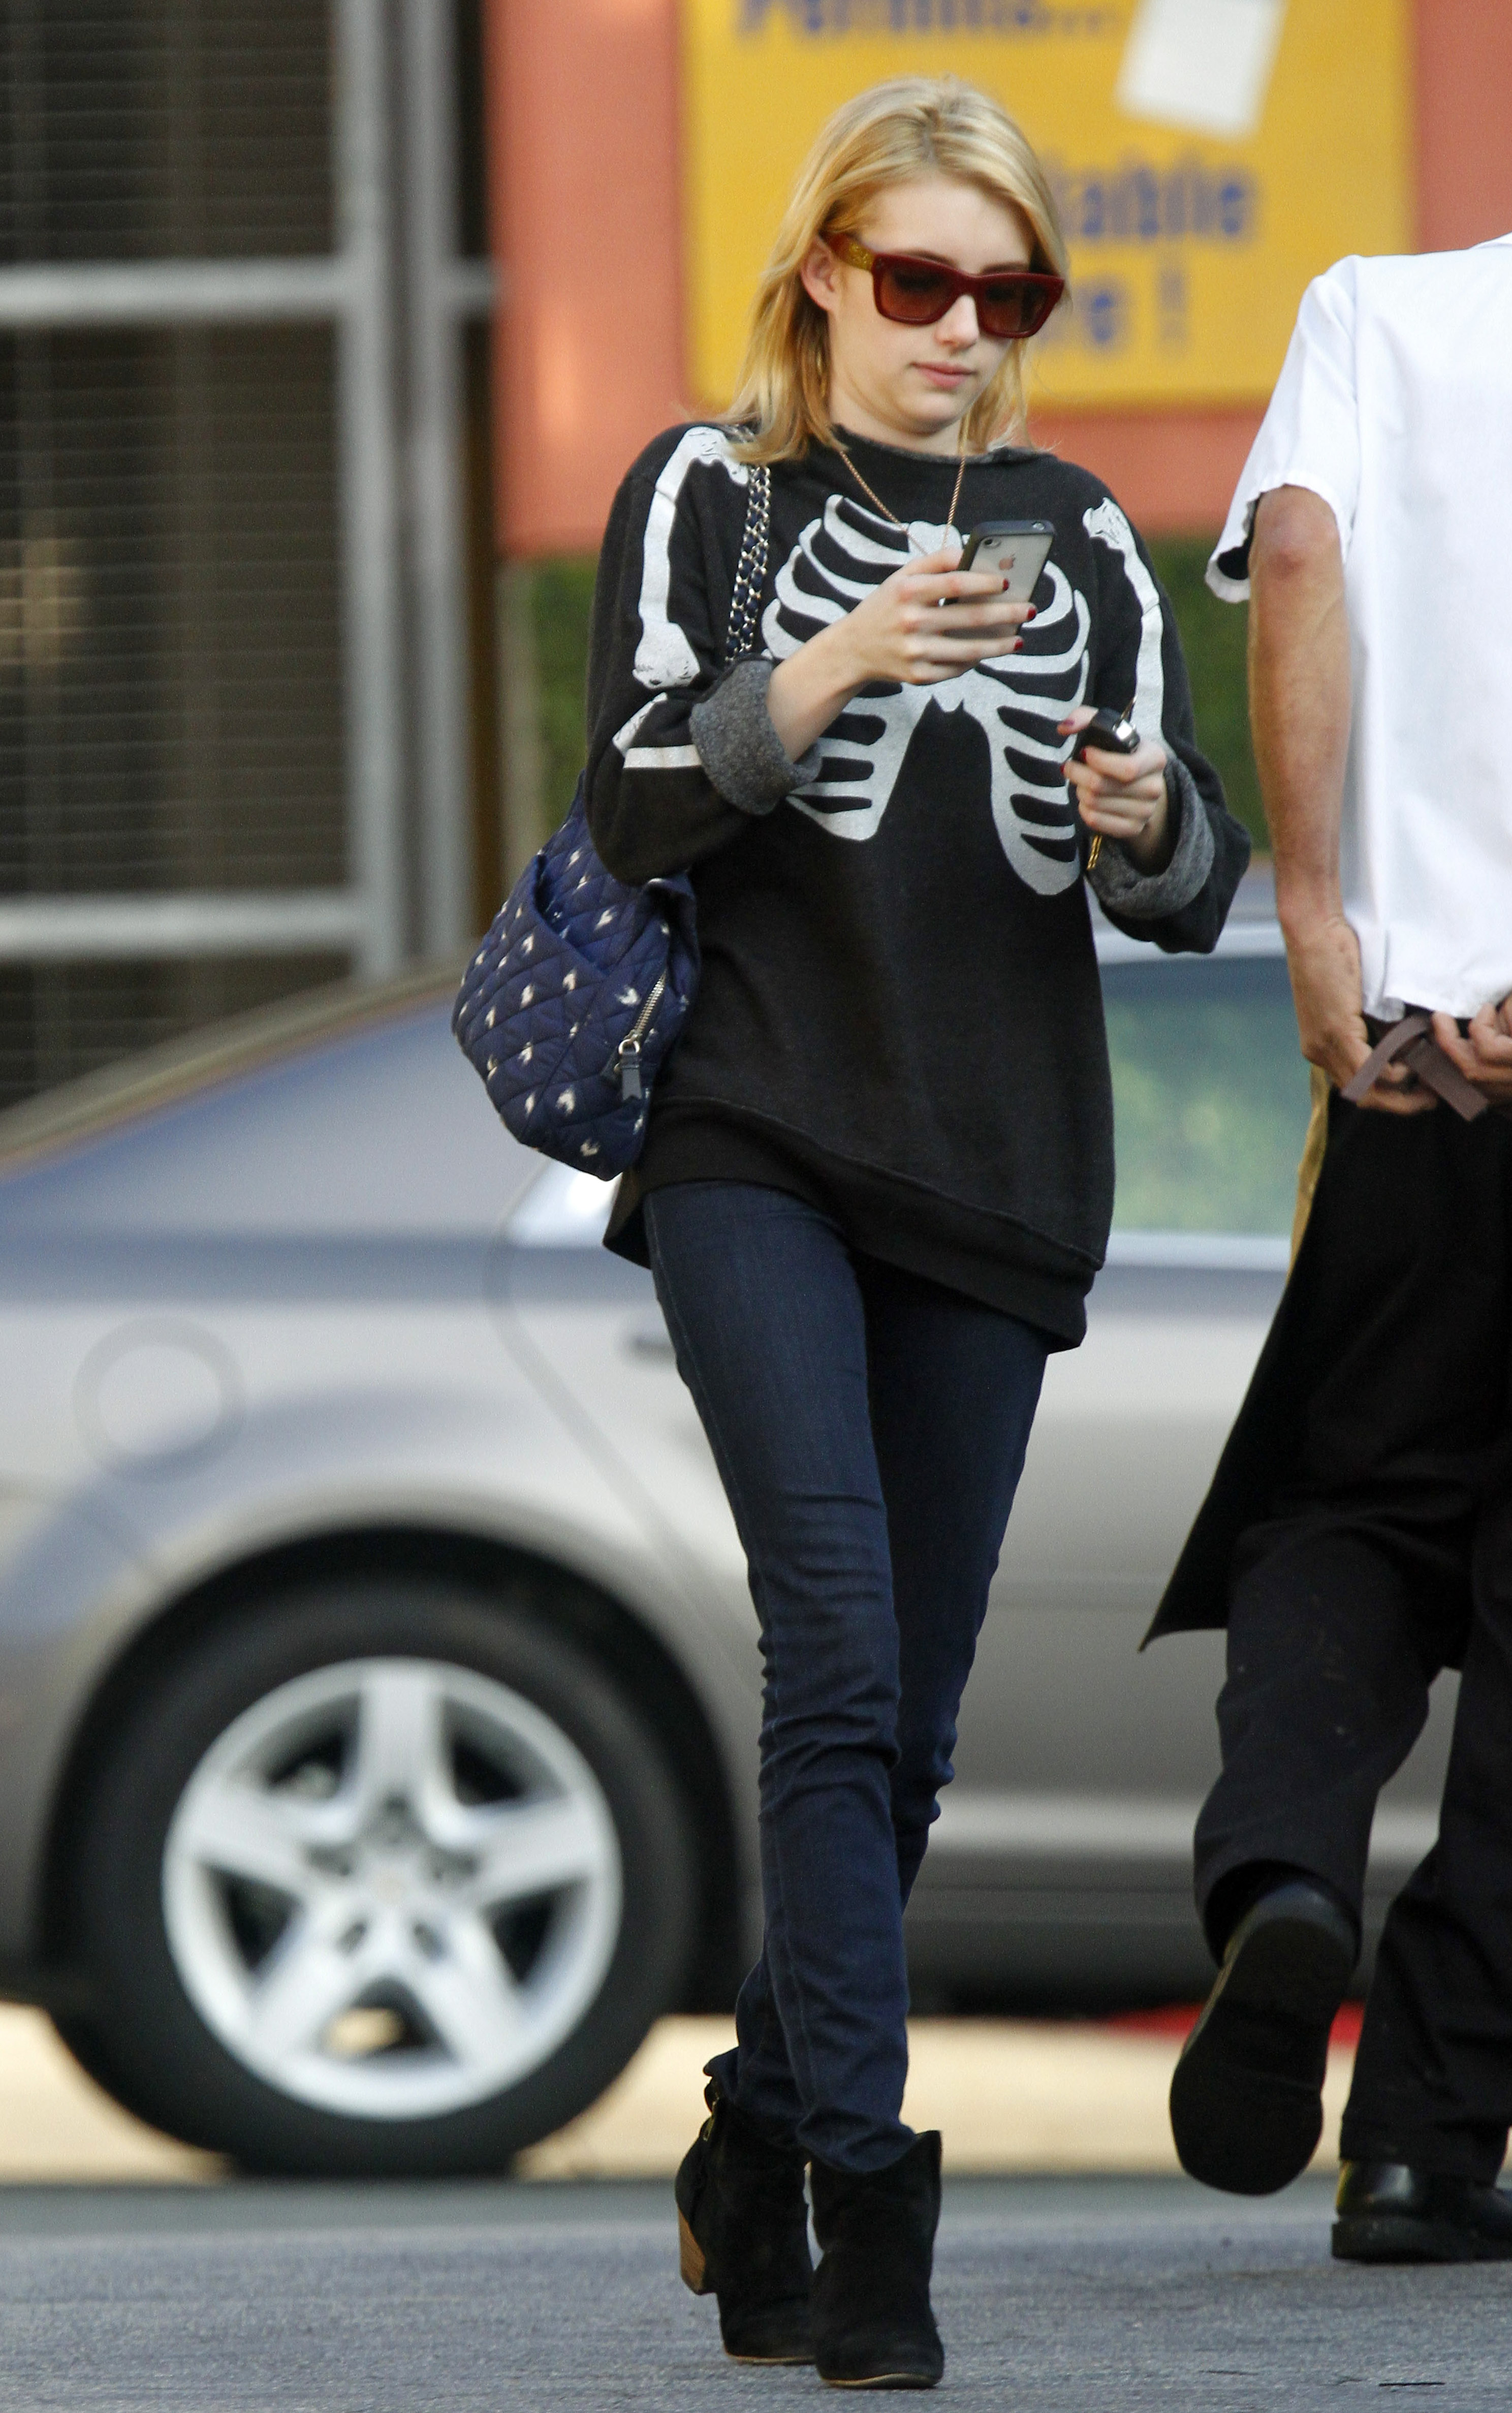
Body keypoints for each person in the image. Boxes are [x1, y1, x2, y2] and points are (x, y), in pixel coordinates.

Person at [584, 75, 1248, 2385]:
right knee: (841, 1659)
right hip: (755, 1137)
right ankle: (871, 2205)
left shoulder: (1083, 535)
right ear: (822, 274)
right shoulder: (712, 492)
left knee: (916, 1731)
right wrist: (840, 660)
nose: (964, 327)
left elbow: (1188, 888)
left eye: (1009, 292)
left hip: (999, 1164)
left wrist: (1146, 814)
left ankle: (752, 2131)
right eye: (921, 279)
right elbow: (634, 798)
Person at [1150, 231, 1512, 2262]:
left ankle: (1283, 1870)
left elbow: (1296, 551)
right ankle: (1428, 2137)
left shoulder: (1387, 310)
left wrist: (1313, 915)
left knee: (1348, 1503)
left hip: (1409, 1056)